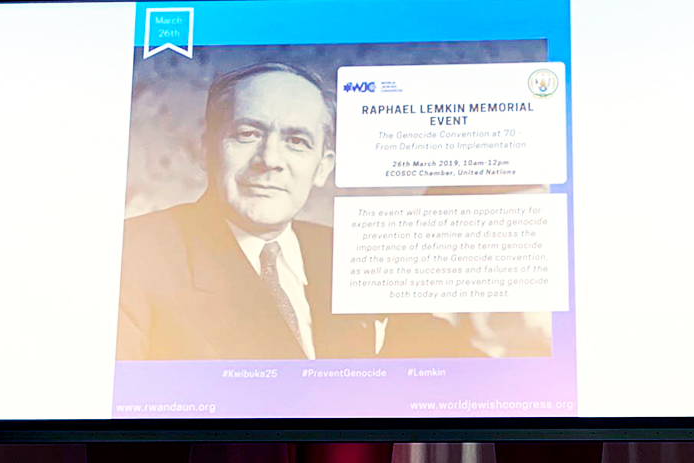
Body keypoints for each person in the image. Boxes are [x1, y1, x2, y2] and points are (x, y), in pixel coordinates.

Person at [116, 61, 479, 362]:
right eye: (247, 134)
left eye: (296, 142)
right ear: (206, 149)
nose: (270, 160)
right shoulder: (131, 254)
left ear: (322, 168)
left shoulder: (351, 255)